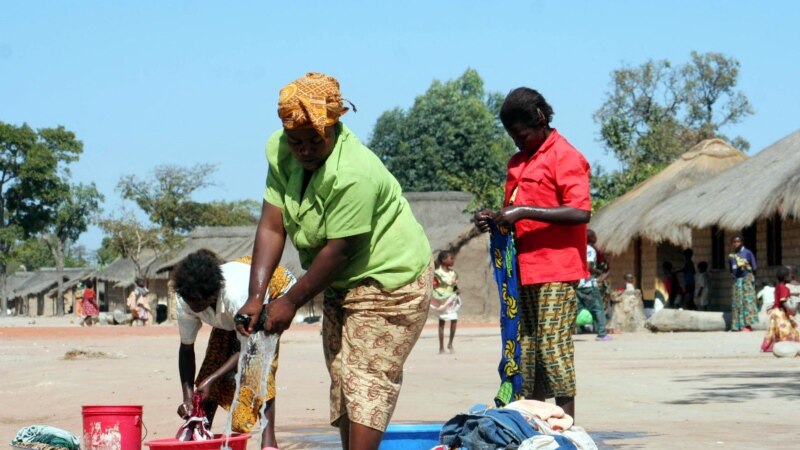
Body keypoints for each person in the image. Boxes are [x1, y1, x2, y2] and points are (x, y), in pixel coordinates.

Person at [234, 73, 433, 450]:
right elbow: (272, 226)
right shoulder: (280, 152)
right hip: (341, 283)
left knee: (367, 379)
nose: (305, 150)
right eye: (297, 142)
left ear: (334, 125)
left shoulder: (353, 172)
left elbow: (340, 250)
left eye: (315, 140)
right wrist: (256, 296)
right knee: (343, 379)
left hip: (391, 282)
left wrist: (290, 301)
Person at [475, 87, 591, 419]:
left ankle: (565, 424)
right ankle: (535, 422)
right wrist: (495, 218)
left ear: (540, 120)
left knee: (553, 349)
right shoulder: (517, 163)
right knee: (526, 350)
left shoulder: (566, 156)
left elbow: (580, 212)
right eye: (512, 136)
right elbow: (513, 213)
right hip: (522, 270)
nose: (517, 142)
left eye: (521, 135)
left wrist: (524, 211)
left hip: (558, 269)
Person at [174, 250, 296, 450]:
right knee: (211, 365)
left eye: (200, 304)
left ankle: (269, 440)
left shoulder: (235, 295)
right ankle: (203, 432)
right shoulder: (185, 297)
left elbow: (249, 349)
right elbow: (186, 350)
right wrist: (188, 397)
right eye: (190, 303)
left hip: (270, 288)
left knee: (260, 367)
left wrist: (212, 381)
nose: (194, 308)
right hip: (235, 294)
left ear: (213, 296)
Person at [576, 229, 611, 341]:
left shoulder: (577, 249)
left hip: (577, 284)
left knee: (576, 309)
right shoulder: (589, 249)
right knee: (598, 309)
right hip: (588, 285)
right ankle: (601, 333)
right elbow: (588, 266)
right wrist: (599, 272)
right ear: (591, 238)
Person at [760, 266, 799, 352]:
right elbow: (784, 302)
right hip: (781, 313)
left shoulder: (778, 286)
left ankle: (770, 346)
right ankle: (785, 345)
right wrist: (793, 308)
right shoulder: (784, 288)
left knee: (774, 330)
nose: (791, 277)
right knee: (785, 329)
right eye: (790, 275)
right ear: (785, 278)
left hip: (775, 311)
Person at [431, 250, 461, 354]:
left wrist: (457, 290)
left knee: (454, 320)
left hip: (451, 300)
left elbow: (454, 286)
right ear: (444, 260)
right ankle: (441, 347)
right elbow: (434, 285)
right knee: (442, 322)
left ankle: (450, 343)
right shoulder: (437, 273)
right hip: (441, 301)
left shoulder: (453, 273)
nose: (453, 260)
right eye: (451, 258)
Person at [728, 235, 758, 332]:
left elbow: (754, 267)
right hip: (737, 281)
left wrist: (746, 266)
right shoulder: (731, 256)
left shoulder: (748, 253)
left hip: (747, 279)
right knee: (737, 303)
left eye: (738, 241)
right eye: (734, 241)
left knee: (747, 302)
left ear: (742, 242)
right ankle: (737, 325)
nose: (736, 243)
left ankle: (748, 325)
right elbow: (731, 270)